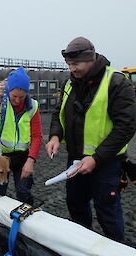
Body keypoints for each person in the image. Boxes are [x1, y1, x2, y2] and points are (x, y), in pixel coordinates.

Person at [46, 37, 136, 242]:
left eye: (75, 64)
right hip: (75, 161)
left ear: (90, 59)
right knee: (76, 204)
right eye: (68, 64)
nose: (72, 68)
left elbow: (126, 127)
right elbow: (59, 113)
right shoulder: (69, 83)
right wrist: (55, 135)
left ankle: (116, 248)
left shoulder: (116, 82)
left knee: (107, 211)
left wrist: (96, 158)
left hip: (106, 162)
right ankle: (81, 244)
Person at [0, 67, 42, 205]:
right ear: (8, 90)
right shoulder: (0, 102)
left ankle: (25, 221)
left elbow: (37, 136)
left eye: (21, 97)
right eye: (14, 96)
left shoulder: (32, 106)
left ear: (27, 93)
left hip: (22, 157)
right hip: (0, 156)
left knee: (23, 192)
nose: (17, 100)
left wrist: (30, 160)